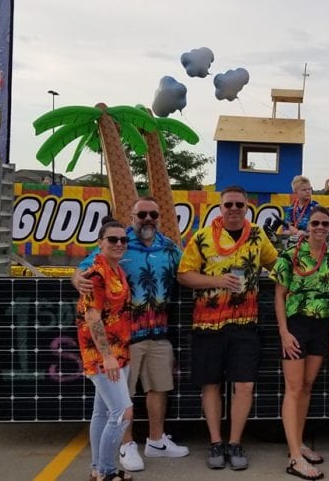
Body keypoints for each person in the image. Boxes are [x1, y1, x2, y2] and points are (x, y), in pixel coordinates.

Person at [73, 197, 187, 473]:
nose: (147, 219)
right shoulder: (119, 244)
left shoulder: (169, 248)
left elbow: (186, 273)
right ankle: (124, 448)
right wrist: (76, 278)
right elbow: (85, 271)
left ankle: (156, 441)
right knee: (123, 401)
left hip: (159, 331)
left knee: (158, 387)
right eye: (141, 214)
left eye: (153, 214)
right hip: (125, 338)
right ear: (132, 217)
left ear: (159, 217)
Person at [177, 185, 279, 471]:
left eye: (239, 205)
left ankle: (235, 442)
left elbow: (276, 265)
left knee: (244, 385)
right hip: (207, 324)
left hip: (245, 324)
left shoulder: (258, 235)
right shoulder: (202, 237)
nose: (234, 210)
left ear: (247, 207)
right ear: (220, 208)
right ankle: (215, 443)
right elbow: (184, 275)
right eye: (228, 205)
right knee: (211, 384)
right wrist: (217, 281)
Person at [272, 206, 329, 480]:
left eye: (325, 223)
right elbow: (279, 296)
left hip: (321, 326)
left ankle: (298, 442)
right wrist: (284, 333)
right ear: (307, 225)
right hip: (297, 325)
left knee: (308, 386)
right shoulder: (289, 256)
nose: (320, 227)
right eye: (315, 223)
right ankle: (295, 457)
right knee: (293, 388)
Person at [77, 219, 135, 481]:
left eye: (123, 240)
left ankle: (96, 469)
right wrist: (108, 356)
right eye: (113, 239)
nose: (119, 244)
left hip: (119, 352)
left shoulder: (117, 270)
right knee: (122, 413)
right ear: (100, 243)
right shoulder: (97, 275)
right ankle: (106, 472)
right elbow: (93, 318)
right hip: (104, 357)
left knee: (101, 412)